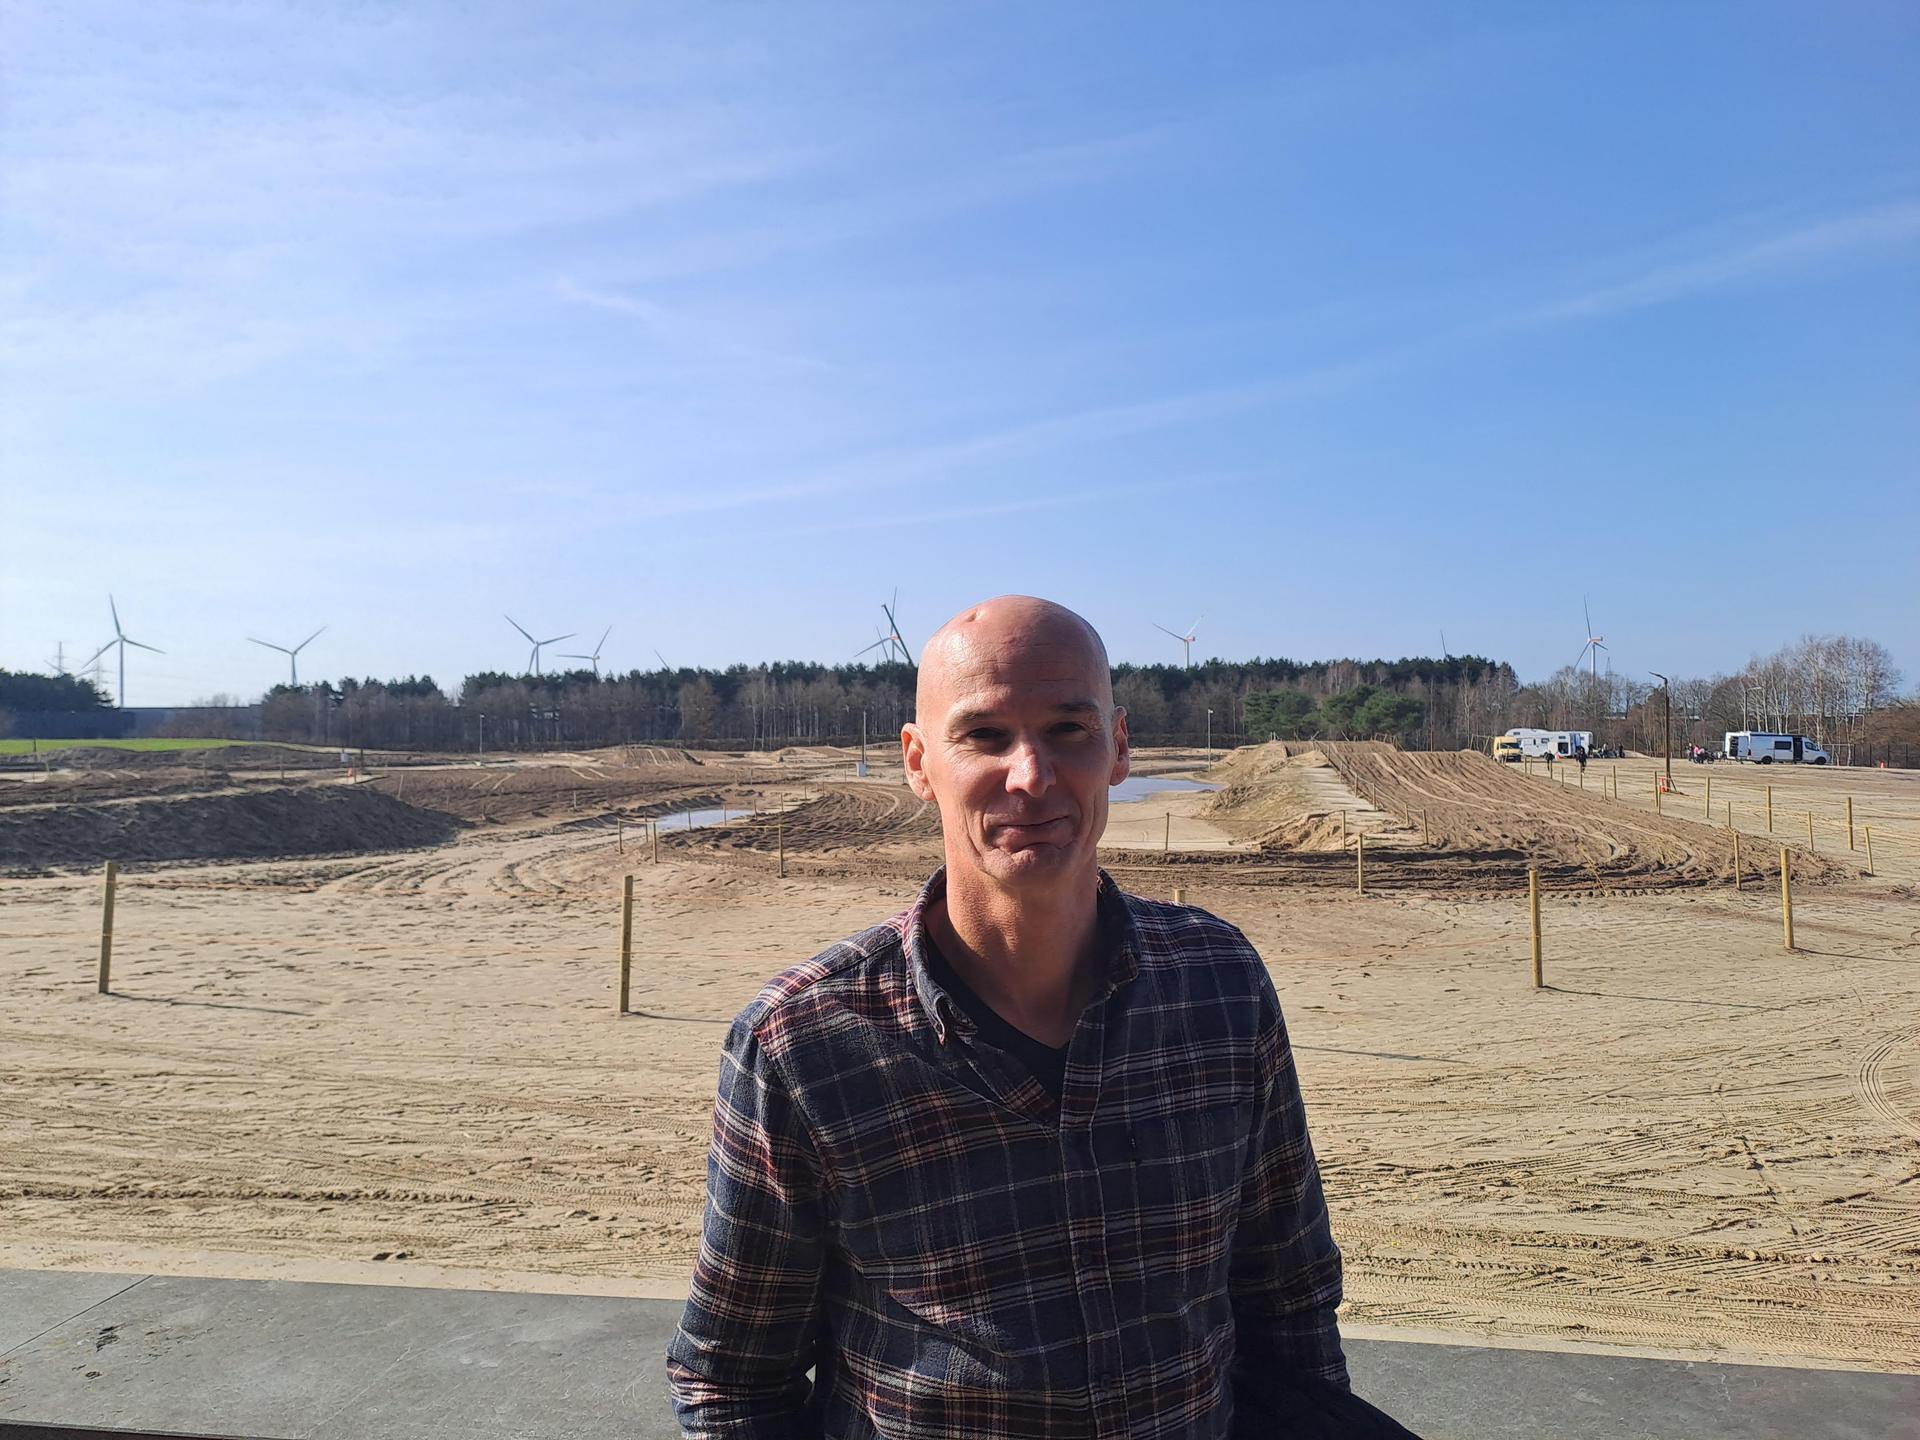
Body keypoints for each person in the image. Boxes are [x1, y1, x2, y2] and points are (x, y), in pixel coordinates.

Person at [668, 596, 1416, 1438]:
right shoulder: (804, 1045)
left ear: (1119, 747)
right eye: (985, 736)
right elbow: (729, 1386)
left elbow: (1290, 1300)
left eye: (1069, 730)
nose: (1032, 775)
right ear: (918, 763)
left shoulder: (1221, 987)